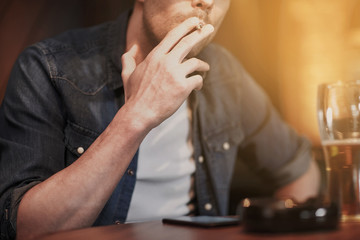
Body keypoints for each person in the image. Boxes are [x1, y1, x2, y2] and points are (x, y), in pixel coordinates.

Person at [0, 0, 320, 239]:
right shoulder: (48, 68)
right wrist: (137, 115)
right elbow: (25, 227)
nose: (207, 2)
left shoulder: (225, 75)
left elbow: (300, 169)